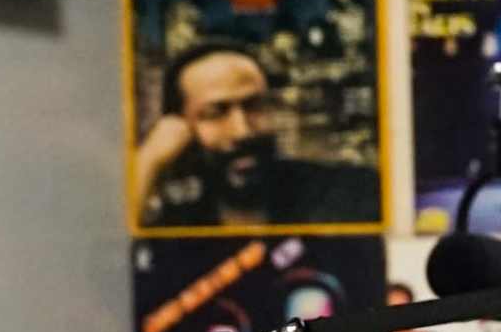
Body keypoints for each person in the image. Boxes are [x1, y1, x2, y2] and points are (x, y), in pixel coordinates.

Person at [134, 42, 372, 227]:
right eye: (215, 113)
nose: (243, 131)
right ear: (180, 129)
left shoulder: (345, 192)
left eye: (255, 106)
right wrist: (149, 161)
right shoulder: (178, 223)